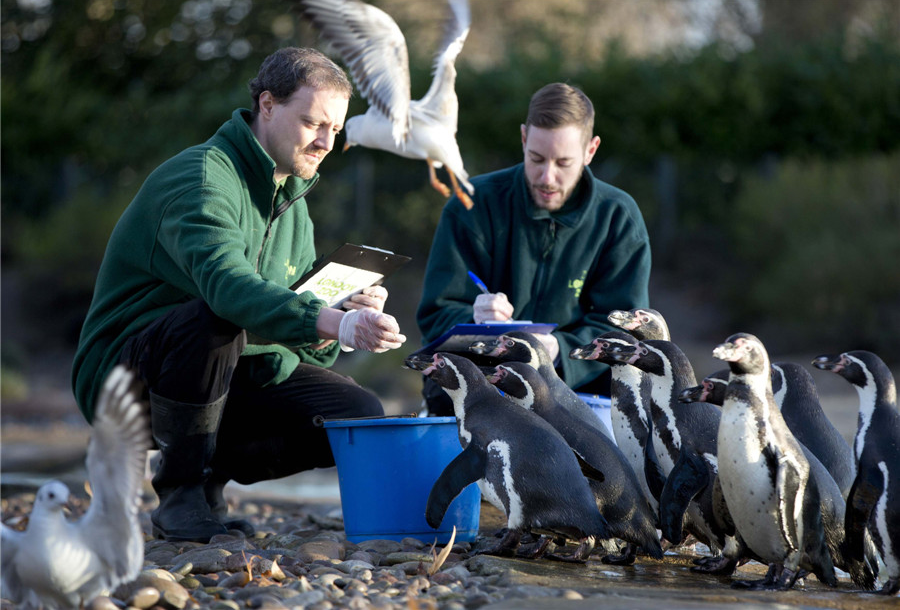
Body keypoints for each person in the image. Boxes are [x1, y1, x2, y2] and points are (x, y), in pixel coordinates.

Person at [71, 47, 407, 542]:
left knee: (356, 415)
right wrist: (331, 321)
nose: (325, 142)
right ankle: (180, 492)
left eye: (334, 130)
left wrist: (340, 316)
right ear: (267, 105)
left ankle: (208, 480)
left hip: (227, 374)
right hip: (123, 380)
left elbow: (292, 332)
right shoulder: (202, 178)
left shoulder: (294, 200)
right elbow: (228, 289)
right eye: (314, 123)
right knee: (216, 318)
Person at [416, 82, 651, 416]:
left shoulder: (618, 217)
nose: (547, 177)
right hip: (486, 380)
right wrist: (474, 319)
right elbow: (436, 314)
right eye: (537, 159)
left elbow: (627, 330)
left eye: (563, 163)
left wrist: (560, 351)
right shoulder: (471, 204)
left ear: (591, 150)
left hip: (579, 385)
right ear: (524, 138)